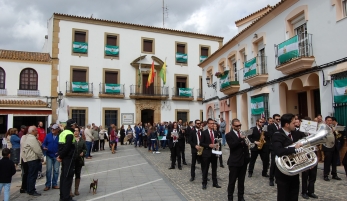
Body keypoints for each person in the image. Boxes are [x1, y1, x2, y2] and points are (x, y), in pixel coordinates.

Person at [272, 113, 302, 201]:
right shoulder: (277, 135)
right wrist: (294, 149)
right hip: (283, 172)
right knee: (283, 197)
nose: (295, 124)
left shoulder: (296, 133)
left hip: (294, 170)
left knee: (294, 196)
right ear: (287, 124)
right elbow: (278, 151)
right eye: (293, 123)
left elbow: (302, 148)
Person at [227, 118, 250, 201]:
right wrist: (240, 138)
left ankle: (241, 197)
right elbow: (232, 146)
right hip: (234, 161)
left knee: (241, 181)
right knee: (232, 181)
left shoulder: (242, 133)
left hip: (243, 161)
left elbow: (246, 146)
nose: (239, 127)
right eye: (237, 126)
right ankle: (230, 197)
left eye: (240, 125)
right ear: (233, 126)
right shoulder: (229, 135)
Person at [57, 119, 77, 201]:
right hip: (68, 158)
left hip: (65, 157)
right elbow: (67, 147)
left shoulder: (63, 132)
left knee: (63, 177)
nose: (75, 126)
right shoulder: (69, 134)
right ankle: (66, 197)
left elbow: (60, 146)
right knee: (67, 178)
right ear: (72, 125)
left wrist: (60, 155)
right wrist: (61, 156)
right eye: (75, 125)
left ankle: (62, 196)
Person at [200, 118, 221, 190]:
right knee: (205, 169)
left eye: (213, 123)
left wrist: (217, 145)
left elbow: (217, 141)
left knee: (214, 169)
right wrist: (208, 145)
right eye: (211, 123)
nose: (212, 124)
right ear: (208, 124)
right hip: (206, 153)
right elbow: (201, 143)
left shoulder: (215, 132)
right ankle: (204, 183)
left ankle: (215, 183)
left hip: (214, 153)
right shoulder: (204, 132)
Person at [23, 126, 44, 196]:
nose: (37, 132)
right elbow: (37, 149)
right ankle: (31, 190)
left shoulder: (28, 137)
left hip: (30, 158)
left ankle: (29, 189)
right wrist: (41, 157)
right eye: (36, 130)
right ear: (32, 131)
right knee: (33, 175)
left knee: (30, 174)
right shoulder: (32, 139)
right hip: (33, 159)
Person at [322, 116, 342, 181]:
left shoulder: (333, 127)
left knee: (334, 161)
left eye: (330, 120)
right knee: (327, 162)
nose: (330, 122)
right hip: (327, 146)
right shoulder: (323, 128)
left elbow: (338, 136)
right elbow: (322, 136)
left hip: (334, 146)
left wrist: (336, 131)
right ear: (325, 121)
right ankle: (326, 175)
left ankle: (334, 174)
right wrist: (331, 131)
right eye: (328, 120)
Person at [42, 124, 60, 191]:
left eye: (54, 129)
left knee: (56, 170)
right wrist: (44, 147)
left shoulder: (60, 136)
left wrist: (59, 152)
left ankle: (54, 184)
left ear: (57, 129)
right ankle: (47, 185)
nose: (53, 130)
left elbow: (62, 145)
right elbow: (44, 143)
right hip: (49, 155)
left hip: (57, 156)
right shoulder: (48, 136)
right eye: (52, 128)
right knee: (48, 171)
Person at [72, 126, 86, 196]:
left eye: (77, 131)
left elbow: (85, 149)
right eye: (74, 131)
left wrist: (83, 152)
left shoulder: (82, 140)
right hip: (72, 160)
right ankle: (69, 191)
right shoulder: (71, 139)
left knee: (78, 175)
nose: (76, 132)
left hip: (79, 161)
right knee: (70, 175)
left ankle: (76, 190)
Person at [268, 113, 281, 186]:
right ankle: (271, 179)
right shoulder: (271, 126)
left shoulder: (281, 126)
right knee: (273, 163)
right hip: (273, 147)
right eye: (277, 119)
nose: (278, 120)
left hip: (280, 147)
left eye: (279, 119)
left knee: (279, 163)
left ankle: (277, 178)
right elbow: (270, 134)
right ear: (273, 119)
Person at [19, 127, 29, 194]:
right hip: (25, 158)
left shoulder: (25, 137)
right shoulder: (24, 137)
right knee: (26, 173)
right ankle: (23, 187)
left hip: (26, 157)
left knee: (26, 173)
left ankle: (25, 187)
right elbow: (24, 147)